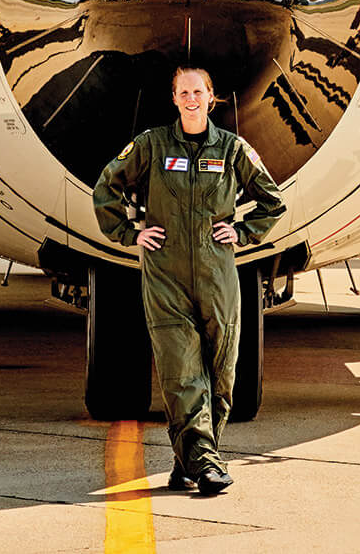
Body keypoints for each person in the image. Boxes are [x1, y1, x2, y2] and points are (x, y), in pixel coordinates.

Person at [92, 66, 286, 496]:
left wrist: (243, 232)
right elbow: (107, 188)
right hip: (167, 274)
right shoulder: (152, 145)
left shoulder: (233, 149)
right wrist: (130, 233)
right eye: (183, 92)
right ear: (174, 98)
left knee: (221, 373)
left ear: (211, 97)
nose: (191, 99)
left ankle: (188, 460)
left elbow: (272, 202)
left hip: (218, 275)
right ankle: (205, 463)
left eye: (198, 91)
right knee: (182, 371)